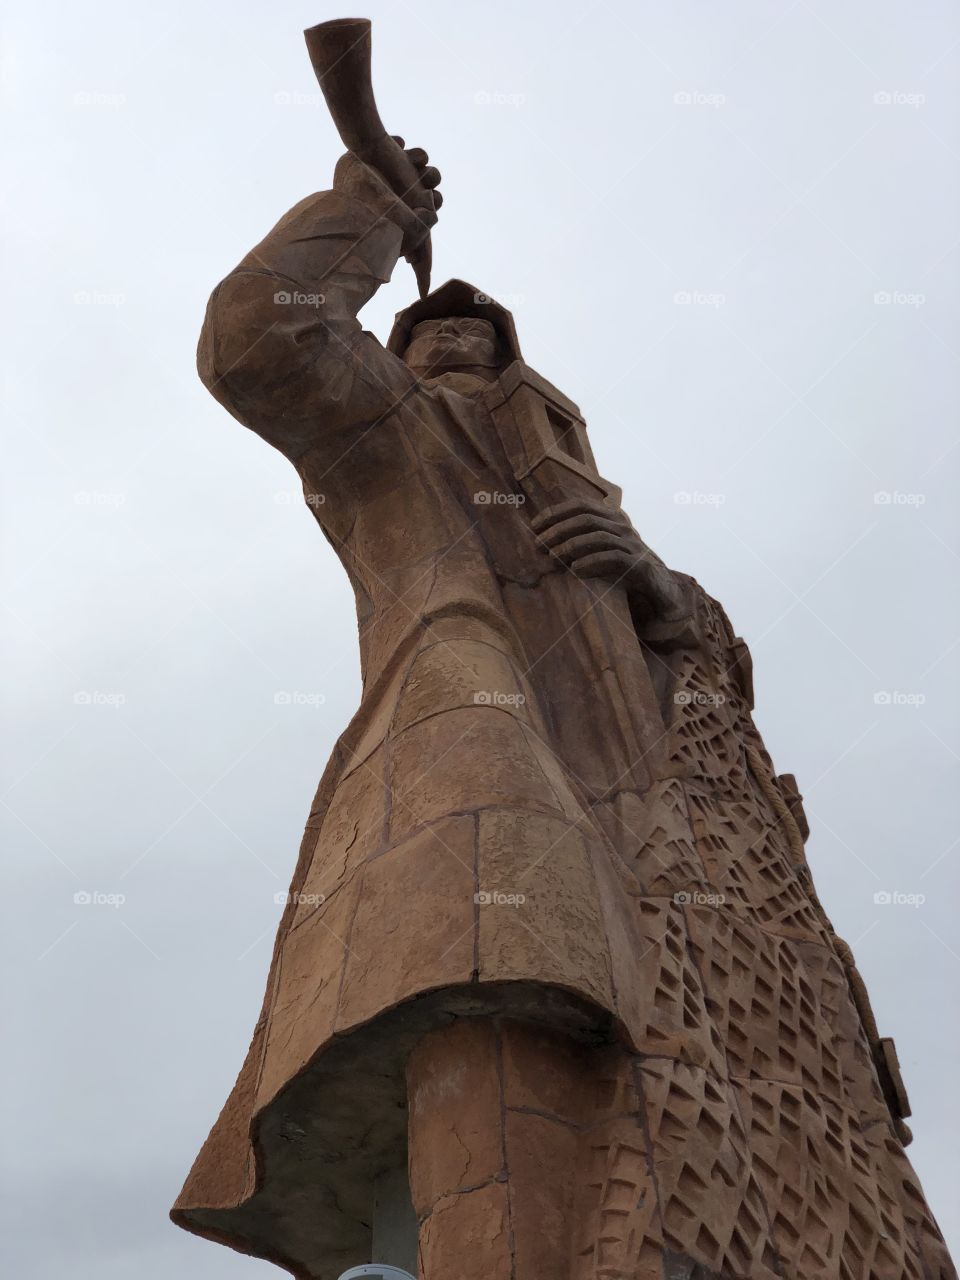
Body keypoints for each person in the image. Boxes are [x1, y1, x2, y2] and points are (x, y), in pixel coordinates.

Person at [173, 140, 955, 1280]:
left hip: (731, 912)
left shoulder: (610, 526)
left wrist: (648, 578)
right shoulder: (408, 437)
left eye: (479, 327)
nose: (454, 331)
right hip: (503, 800)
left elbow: (724, 667)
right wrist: (366, 218)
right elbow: (260, 339)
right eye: (428, 329)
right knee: (509, 1023)